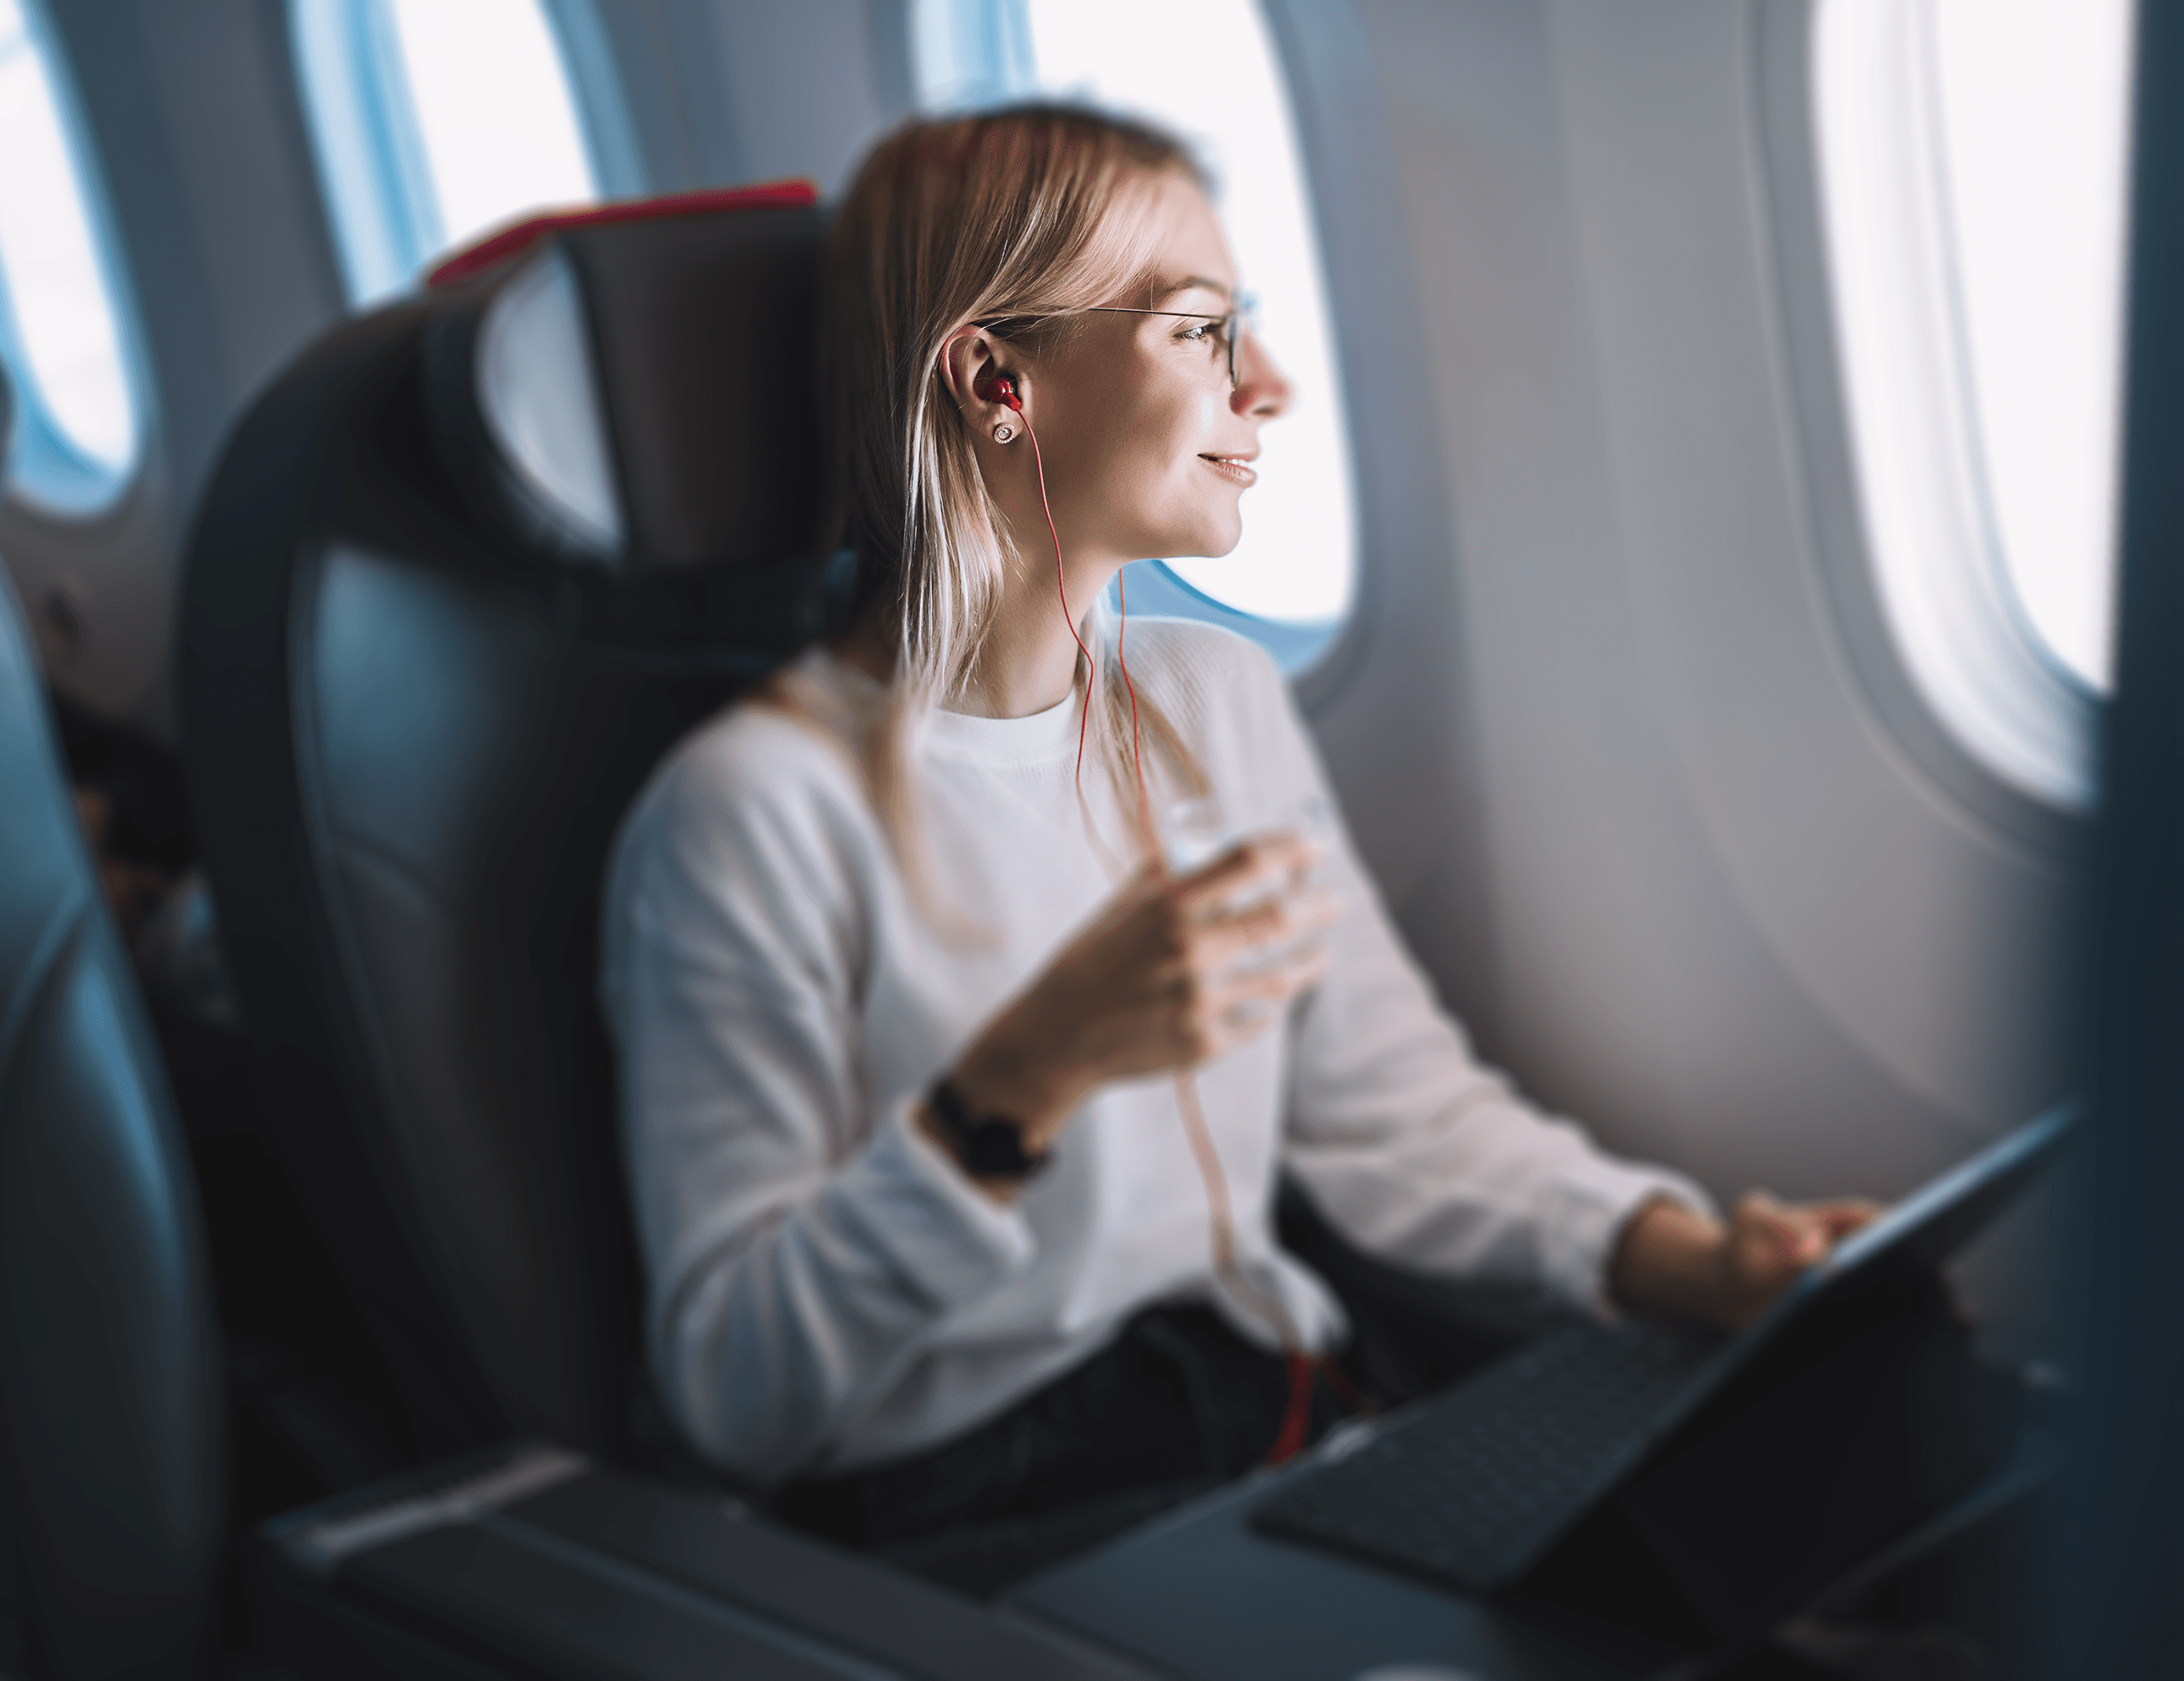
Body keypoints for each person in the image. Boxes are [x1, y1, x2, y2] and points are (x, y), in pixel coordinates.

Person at [600, 104, 1874, 1588]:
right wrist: (1026, 1077)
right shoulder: (754, 814)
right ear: (998, 380)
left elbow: (1391, 1117)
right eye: (1202, 331)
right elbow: (738, 1395)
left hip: (1277, 1422)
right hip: (982, 1529)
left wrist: (1691, 1261)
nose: (1267, 386)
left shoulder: (1214, 703)